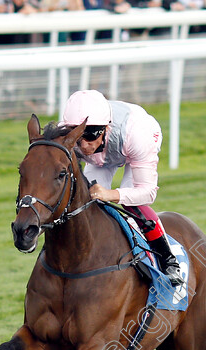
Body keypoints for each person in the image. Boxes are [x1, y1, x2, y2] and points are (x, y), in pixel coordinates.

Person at [60, 89, 184, 286]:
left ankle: (168, 260)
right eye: (77, 137)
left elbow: (147, 192)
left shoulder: (138, 135)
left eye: (90, 136)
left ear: (105, 129)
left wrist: (111, 194)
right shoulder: (68, 133)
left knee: (131, 204)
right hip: (103, 155)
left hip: (134, 141)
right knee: (88, 201)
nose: (83, 146)